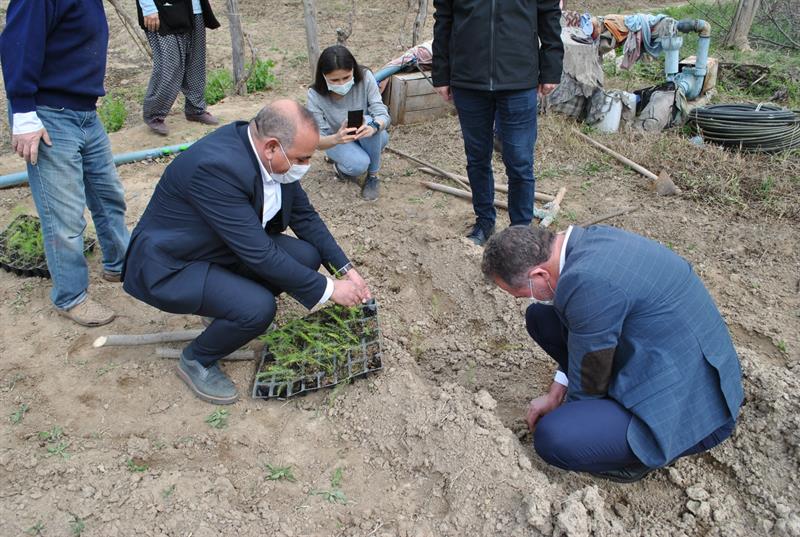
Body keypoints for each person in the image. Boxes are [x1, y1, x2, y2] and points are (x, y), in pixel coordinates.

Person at [122, 100, 372, 405]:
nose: (305, 166)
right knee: (257, 308)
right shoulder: (216, 169)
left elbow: (305, 217)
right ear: (271, 148)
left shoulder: (273, 161)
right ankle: (197, 360)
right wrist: (330, 289)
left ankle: (227, 308)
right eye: (302, 158)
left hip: (219, 248)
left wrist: (345, 269)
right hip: (172, 265)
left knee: (306, 257)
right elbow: (260, 254)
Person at [481, 225, 743, 482]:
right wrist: (556, 391)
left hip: (694, 407)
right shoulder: (587, 243)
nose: (523, 299)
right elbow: (586, 342)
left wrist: (574, 418)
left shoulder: (585, 281)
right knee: (541, 317)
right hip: (666, 352)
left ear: (539, 275)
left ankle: (636, 459)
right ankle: (612, 412)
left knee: (555, 437)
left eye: (521, 294)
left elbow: (588, 382)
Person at [1, 0, 130, 327]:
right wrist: (24, 112)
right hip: (49, 114)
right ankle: (70, 296)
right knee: (65, 215)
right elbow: (18, 44)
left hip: (86, 112)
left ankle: (121, 264)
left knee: (108, 195)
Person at [432, 0, 564, 245]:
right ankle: (484, 221)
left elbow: (549, 15)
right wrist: (441, 72)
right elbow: (443, 19)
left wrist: (551, 67)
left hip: (519, 79)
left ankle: (520, 232)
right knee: (477, 157)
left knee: (520, 160)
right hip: (469, 79)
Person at [306, 45, 391, 201]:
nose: (341, 84)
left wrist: (374, 127)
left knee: (378, 131)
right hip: (336, 140)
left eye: (346, 78)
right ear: (323, 76)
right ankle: (340, 166)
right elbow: (317, 141)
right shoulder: (315, 95)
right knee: (359, 165)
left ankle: (373, 176)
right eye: (334, 80)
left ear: (353, 70)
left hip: (364, 132)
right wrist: (337, 138)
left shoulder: (365, 77)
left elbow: (382, 114)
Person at [136, 0, 220, 135]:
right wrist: (148, 7)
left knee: (195, 61)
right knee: (169, 64)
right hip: (162, 9)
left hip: (194, 8)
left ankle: (195, 109)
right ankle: (154, 115)